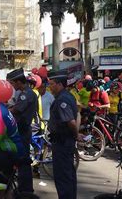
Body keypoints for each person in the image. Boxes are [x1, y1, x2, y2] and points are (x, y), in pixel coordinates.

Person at [47, 70, 79, 199]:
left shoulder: (62, 100)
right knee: (68, 174)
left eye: (52, 84)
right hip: (64, 141)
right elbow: (78, 114)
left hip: (62, 142)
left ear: (59, 84)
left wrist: (76, 135)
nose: (50, 87)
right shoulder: (68, 96)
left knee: (63, 176)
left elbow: (71, 121)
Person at [7, 68, 38, 197]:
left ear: (19, 82)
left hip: (23, 131)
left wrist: (5, 110)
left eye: (13, 83)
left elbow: (17, 110)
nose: (12, 87)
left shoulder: (27, 94)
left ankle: (26, 190)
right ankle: (23, 188)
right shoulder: (24, 93)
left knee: (23, 161)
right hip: (22, 130)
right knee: (21, 160)